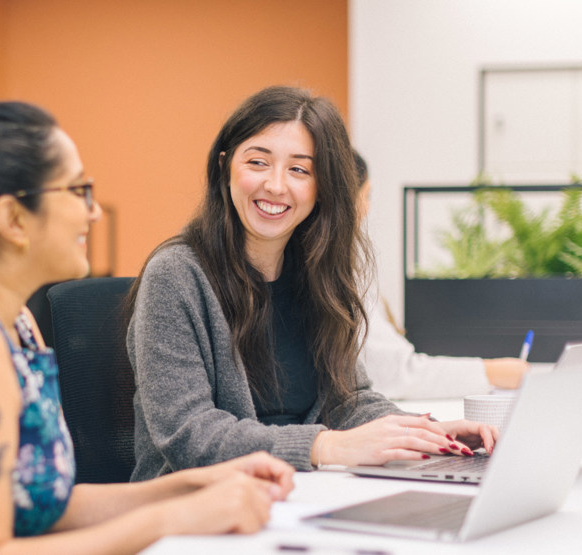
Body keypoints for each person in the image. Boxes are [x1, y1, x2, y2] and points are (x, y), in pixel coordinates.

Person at [0, 101, 295, 554]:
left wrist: (189, 487)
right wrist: (170, 521)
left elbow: (37, 507)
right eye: (77, 191)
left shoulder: (14, 323)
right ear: (13, 219)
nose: (93, 212)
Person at [126, 86, 498, 480]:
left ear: (322, 187)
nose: (275, 185)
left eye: (299, 169)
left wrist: (419, 431)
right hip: (195, 510)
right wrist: (326, 446)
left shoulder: (318, 273)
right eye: (258, 162)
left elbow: (348, 400)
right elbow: (189, 435)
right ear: (225, 167)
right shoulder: (176, 276)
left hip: (300, 493)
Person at [353, 151, 529, 399]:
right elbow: (396, 374)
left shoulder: (350, 264)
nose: (368, 208)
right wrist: (492, 372)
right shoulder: (338, 275)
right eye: (367, 196)